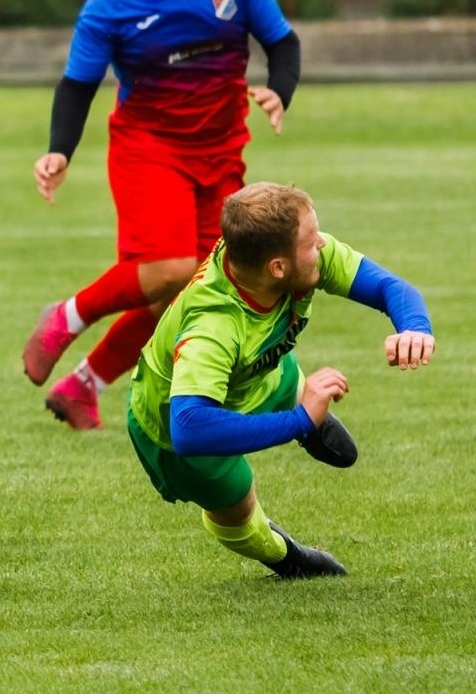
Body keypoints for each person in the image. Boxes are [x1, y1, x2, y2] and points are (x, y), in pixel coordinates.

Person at [24, 0, 301, 430]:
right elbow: (77, 85)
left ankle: (84, 385)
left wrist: (280, 91)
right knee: (172, 267)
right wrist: (59, 151)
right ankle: (68, 314)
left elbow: (282, 42)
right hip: (148, 147)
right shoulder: (110, 2)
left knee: (197, 289)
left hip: (221, 152)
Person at [127, 182, 434, 577]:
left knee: (279, 367)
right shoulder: (214, 327)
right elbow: (189, 430)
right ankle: (286, 556)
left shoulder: (292, 259)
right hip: (171, 427)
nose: (322, 245)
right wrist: (301, 421)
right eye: (311, 242)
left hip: (261, 372)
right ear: (278, 266)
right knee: (237, 502)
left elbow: (391, 288)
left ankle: (299, 408)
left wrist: (415, 328)